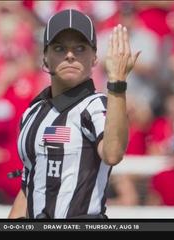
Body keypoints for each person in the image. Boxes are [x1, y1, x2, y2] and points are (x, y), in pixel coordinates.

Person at [8, 9, 140, 219]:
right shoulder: (32, 113)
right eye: (60, 48)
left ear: (94, 58)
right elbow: (28, 185)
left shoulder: (96, 105)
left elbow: (113, 153)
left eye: (80, 48)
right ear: (45, 58)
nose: (70, 55)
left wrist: (117, 83)